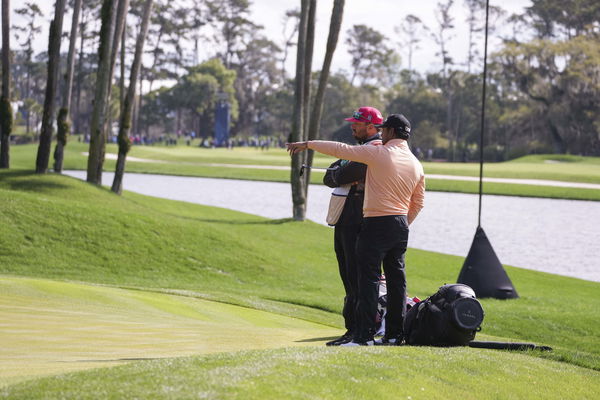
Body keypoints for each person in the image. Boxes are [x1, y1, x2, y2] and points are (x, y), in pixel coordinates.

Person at [287, 113, 425, 346]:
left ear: (390, 132)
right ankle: (394, 335)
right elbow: (418, 203)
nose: (382, 133)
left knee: (368, 280)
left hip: (376, 222)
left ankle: (363, 336)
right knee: (396, 280)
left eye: (384, 130)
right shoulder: (416, 163)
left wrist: (308, 144)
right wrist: (402, 224)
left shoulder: (379, 152)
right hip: (400, 224)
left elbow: (341, 150)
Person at [322, 106, 383, 346]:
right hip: (345, 219)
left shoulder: (373, 149)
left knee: (357, 277)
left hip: (359, 219)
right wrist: (341, 172)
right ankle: (352, 329)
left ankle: (358, 330)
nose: (352, 126)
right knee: (348, 275)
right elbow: (329, 176)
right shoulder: (357, 150)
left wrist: (341, 173)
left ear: (371, 127)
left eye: (357, 123)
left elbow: (345, 174)